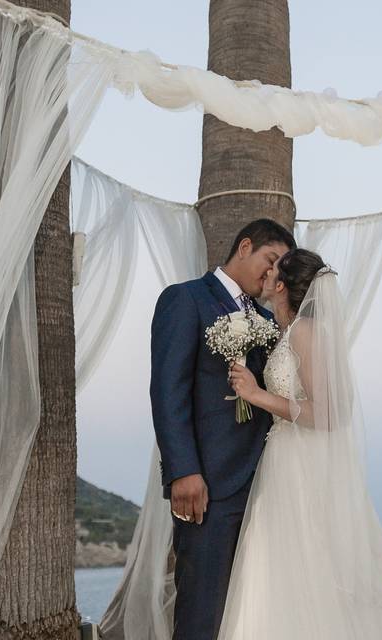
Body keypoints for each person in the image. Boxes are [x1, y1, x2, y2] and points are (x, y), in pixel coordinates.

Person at [221, 248, 382, 639]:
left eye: (272, 271)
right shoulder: (288, 333)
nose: (266, 276)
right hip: (284, 460)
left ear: (282, 285)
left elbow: (328, 413)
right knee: (281, 572)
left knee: (306, 567)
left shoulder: (306, 332)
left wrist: (258, 396)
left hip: (301, 463)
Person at [149, 218, 295, 640]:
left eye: (281, 269)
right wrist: (183, 471)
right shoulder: (186, 299)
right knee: (203, 613)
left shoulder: (269, 319)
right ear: (244, 246)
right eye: (270, 260)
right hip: (210, 485)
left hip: (267, 485)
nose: (272, 274)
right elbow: (167, 391)